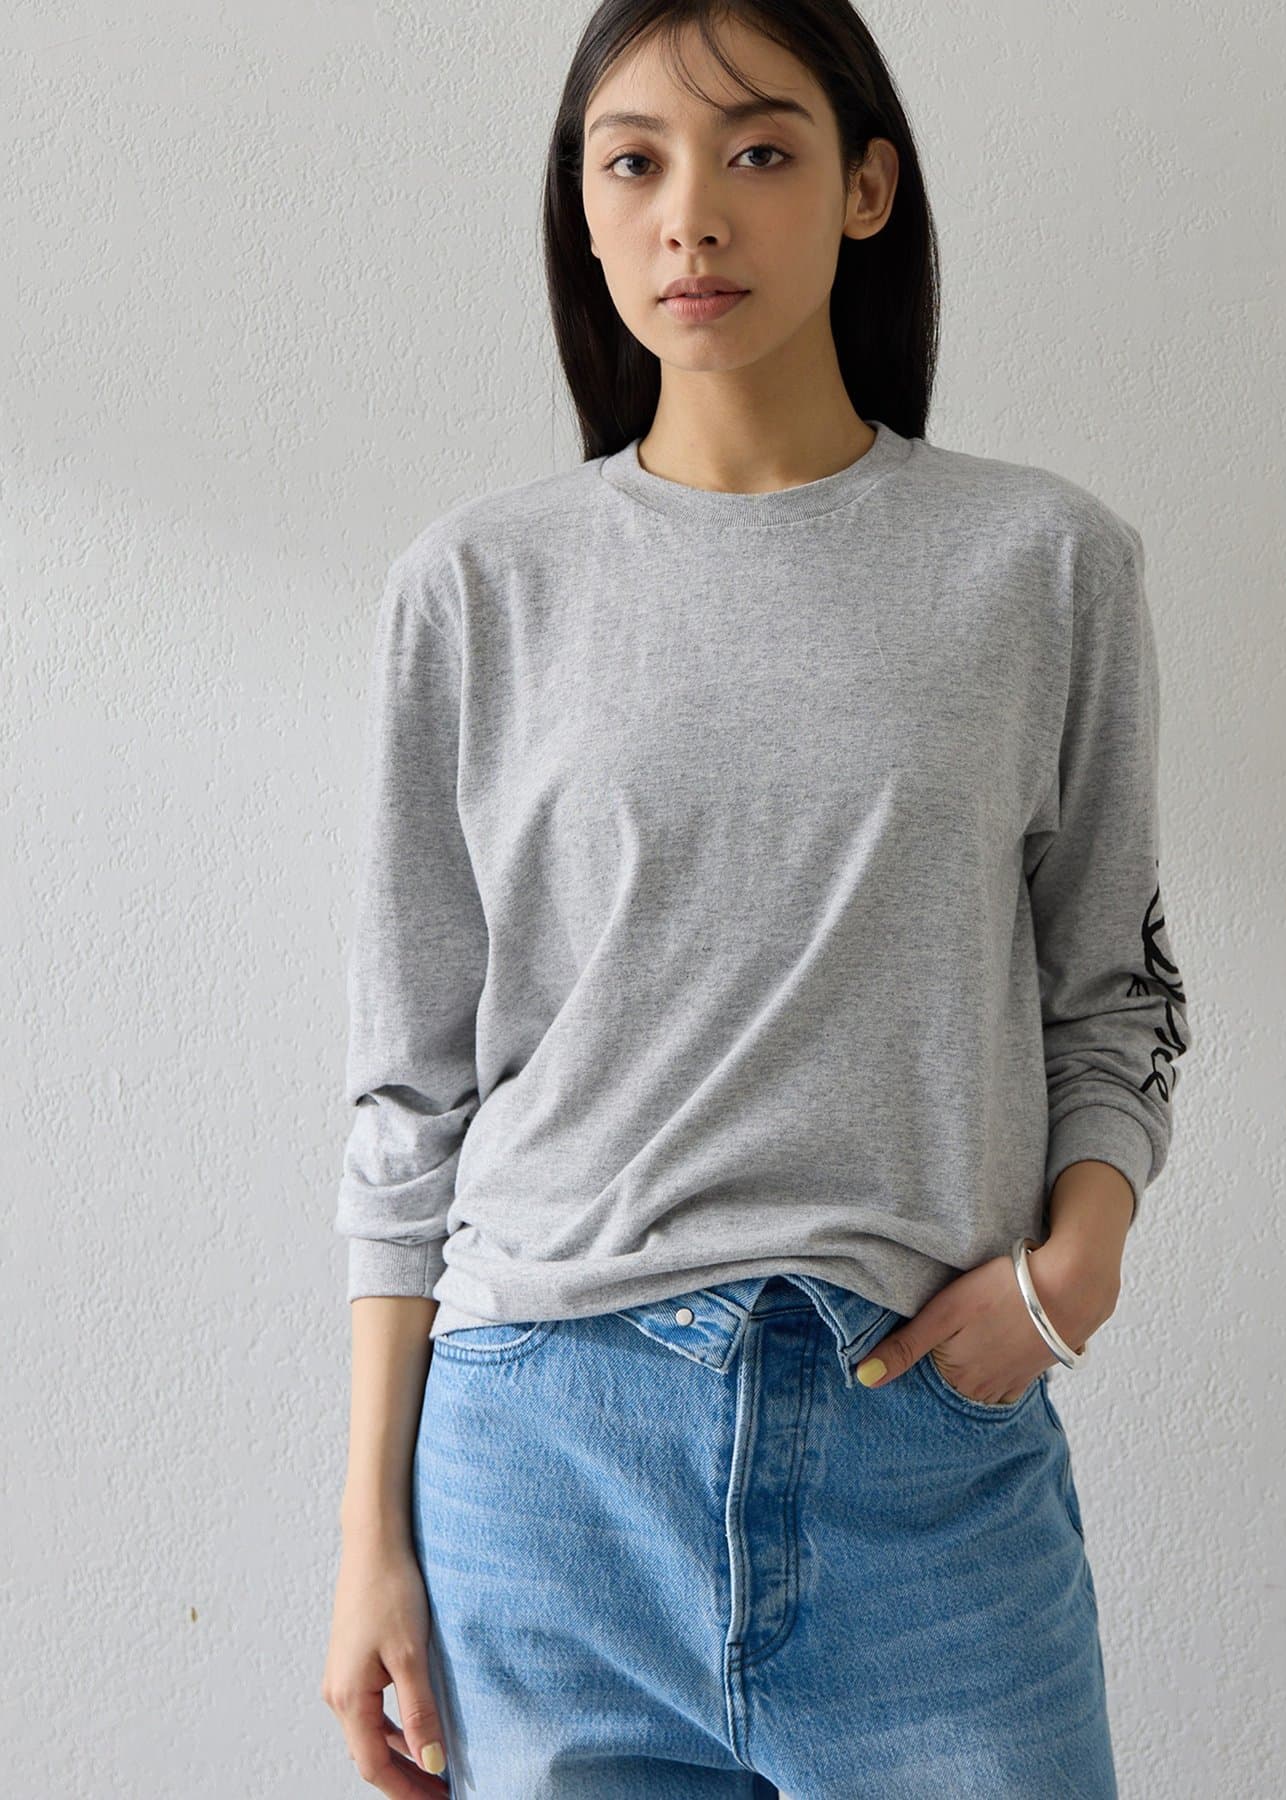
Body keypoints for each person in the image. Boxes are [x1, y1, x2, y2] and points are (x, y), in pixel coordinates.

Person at [321, 2, 1193, 1795]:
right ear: (582, 207)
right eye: (634, 163)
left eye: (760, 152)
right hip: (542, 1476)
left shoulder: (1043, 566)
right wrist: (367, 1541)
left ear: (867, 187)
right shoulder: (475, 588)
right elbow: (410, 1096)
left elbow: (1109, 995)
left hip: (924, 1454)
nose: (691, 216)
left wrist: (1076, 1267)